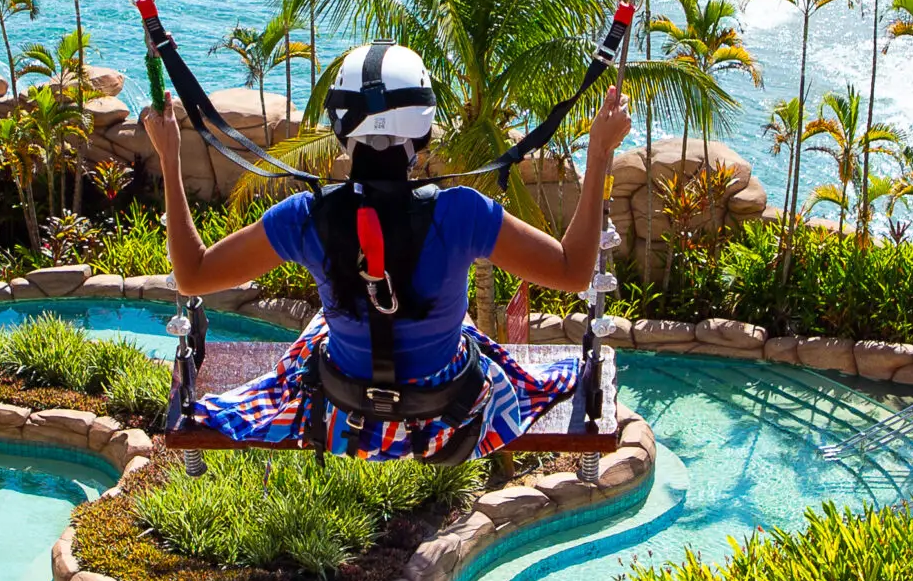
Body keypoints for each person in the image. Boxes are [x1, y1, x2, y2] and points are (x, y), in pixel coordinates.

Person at [146, 41, 631, 461]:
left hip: (341, 416)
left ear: (340, 128)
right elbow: (573, 271)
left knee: (323, 326)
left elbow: (192, 276)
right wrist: (600, 153)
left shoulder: (305, 216)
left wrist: (170, 156)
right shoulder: (463, 214)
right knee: (461, 328)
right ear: (421, 130)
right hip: (448, 420)